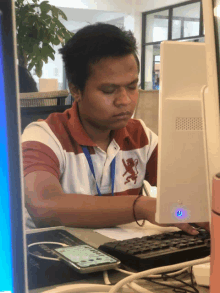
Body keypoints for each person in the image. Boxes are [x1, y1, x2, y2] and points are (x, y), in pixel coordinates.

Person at [22, 23, 208, 233]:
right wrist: (139, 206)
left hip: (127, 257)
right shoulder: (43, 137)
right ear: (76, 89)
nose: (125, 100)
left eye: (132, 87)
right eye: (109, 90)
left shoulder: (141, 136)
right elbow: (44, 206)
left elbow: (188, 186)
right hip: (56, 258)